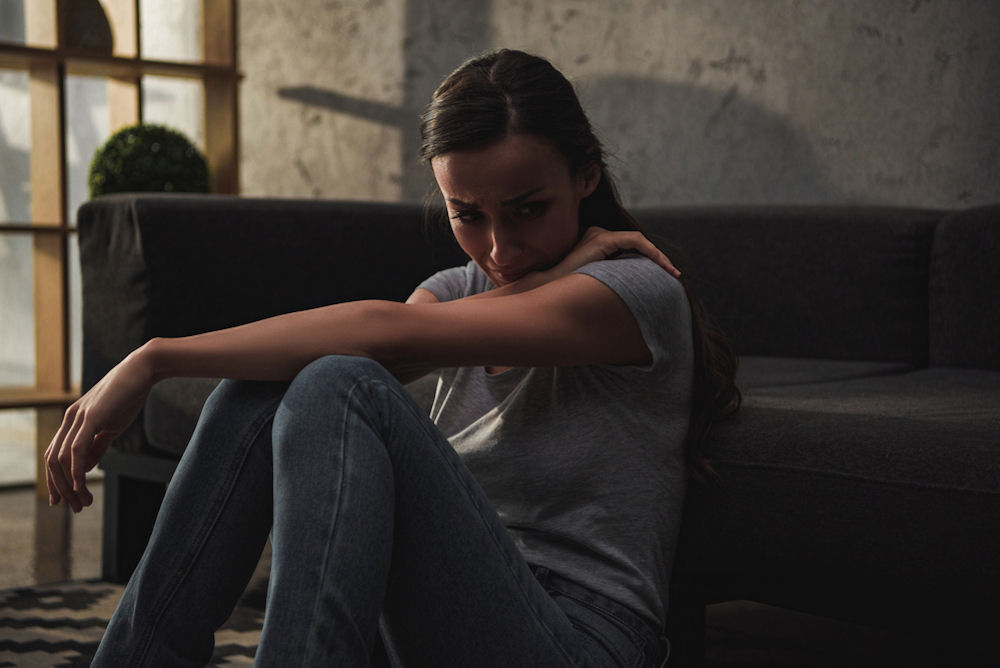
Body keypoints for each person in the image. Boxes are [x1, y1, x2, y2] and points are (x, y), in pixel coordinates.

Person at [45, 49, 739, 667]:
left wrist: (153, 358)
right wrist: (548, 278)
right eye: (468, 215)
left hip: (575, 637)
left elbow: (383, 337)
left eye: (528, 209)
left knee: (341, 380)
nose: (498, 248)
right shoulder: (457, 291)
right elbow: (389, 334)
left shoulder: (635, 286)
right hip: (427, 625)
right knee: (263, 390)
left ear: (586, 174)